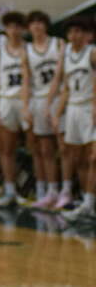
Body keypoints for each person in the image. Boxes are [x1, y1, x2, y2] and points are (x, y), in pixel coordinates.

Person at [53, 18, 95, 218]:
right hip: (73, 109)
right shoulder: (67, 56)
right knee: (78, 159)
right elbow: (66, 89)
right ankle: (87, 202)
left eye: (79, 31)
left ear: (87, 34)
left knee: (92, 157)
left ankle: (89, 203)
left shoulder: (92, 52)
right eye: (71, 32)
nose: (74, 35)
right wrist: (56, 113)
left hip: (89, 107)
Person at [0, 11, 31, 208]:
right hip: (6, 100)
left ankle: (38, 188)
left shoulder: (29, 50)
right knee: (6, 148)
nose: (13, 30)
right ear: (5, 30)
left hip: (27, 101)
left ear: (23, 29)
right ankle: (10, 189)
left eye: (17, 26)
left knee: (36, 146)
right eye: (10, 26)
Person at [25, 11, 63, 208]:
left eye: (41, 22)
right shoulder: (28, 50)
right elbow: (26, 81)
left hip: (60, 98)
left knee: (65, 149)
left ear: (46, 25)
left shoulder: (58, 43)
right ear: (29, 27)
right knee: (45, 149)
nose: (37, 26)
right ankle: (50, 190)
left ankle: (67, 191)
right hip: (39, 100)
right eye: (33, 23)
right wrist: (26, 107)